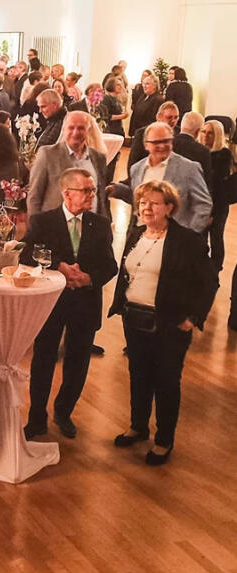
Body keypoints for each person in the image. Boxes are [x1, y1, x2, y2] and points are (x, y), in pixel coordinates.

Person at [108, 180, 217, 466]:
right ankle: (138, 426)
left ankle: (164, 439)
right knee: (138, 375)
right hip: (134, 319)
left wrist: (193, 318)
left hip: (169, 324)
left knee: (166, 382)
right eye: (143, 202)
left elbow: (209, 282)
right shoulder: (136, 234)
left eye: (154, 203)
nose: (146, 208)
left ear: (169, 207)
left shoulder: (187, 240)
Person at [21, 169, 117, 440]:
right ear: (66, 193)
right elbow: (26, 253)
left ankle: (64, 412)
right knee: (44, 359)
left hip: (85, 301)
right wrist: (58, 266)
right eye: (85, 190)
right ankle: (37, 417)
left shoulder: (100, 224)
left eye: (92, 190)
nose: (91, 195)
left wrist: (88, 278)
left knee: (78, 361)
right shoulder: (43, 221)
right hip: (52, 301)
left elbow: (110, 265)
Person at [126, 122, 212, 234]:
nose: (162, 146)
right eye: (156, 142)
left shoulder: (189, 168)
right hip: (143, 235)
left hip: (175, 239)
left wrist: (190, 234)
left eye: (166, 141)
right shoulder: (136, 169)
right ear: (146, 145)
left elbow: (203, 205)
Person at [27, 111, 109, 218]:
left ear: (88, 130)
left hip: (90, 224)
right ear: (63, 129)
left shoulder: (99, 158)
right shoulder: (47, 155)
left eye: (81, 128)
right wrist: (35, 225)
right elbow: (34, 196)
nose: (75, 132)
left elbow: (101, 196)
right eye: (71, 128)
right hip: (55, 224)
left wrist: (106, 222)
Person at [199, 120, 233, 272]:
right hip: (202, 204)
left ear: (217, 135)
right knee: (200, 238)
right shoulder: (199, 152)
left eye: (210, 133)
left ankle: (215, 270)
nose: (206, 136)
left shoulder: (224, 154)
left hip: (218, 205)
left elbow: (217, 186)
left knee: (216, 238)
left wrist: (211, 213)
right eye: (204, 132)